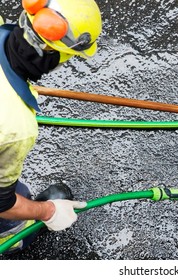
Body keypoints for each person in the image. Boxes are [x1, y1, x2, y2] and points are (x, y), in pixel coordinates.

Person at [0, 0, 102, 253]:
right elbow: (1, 203)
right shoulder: (16, 127)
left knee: (18, 189)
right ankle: (9, 241)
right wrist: (49, 211)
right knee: (12, 213)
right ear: (51, 53)